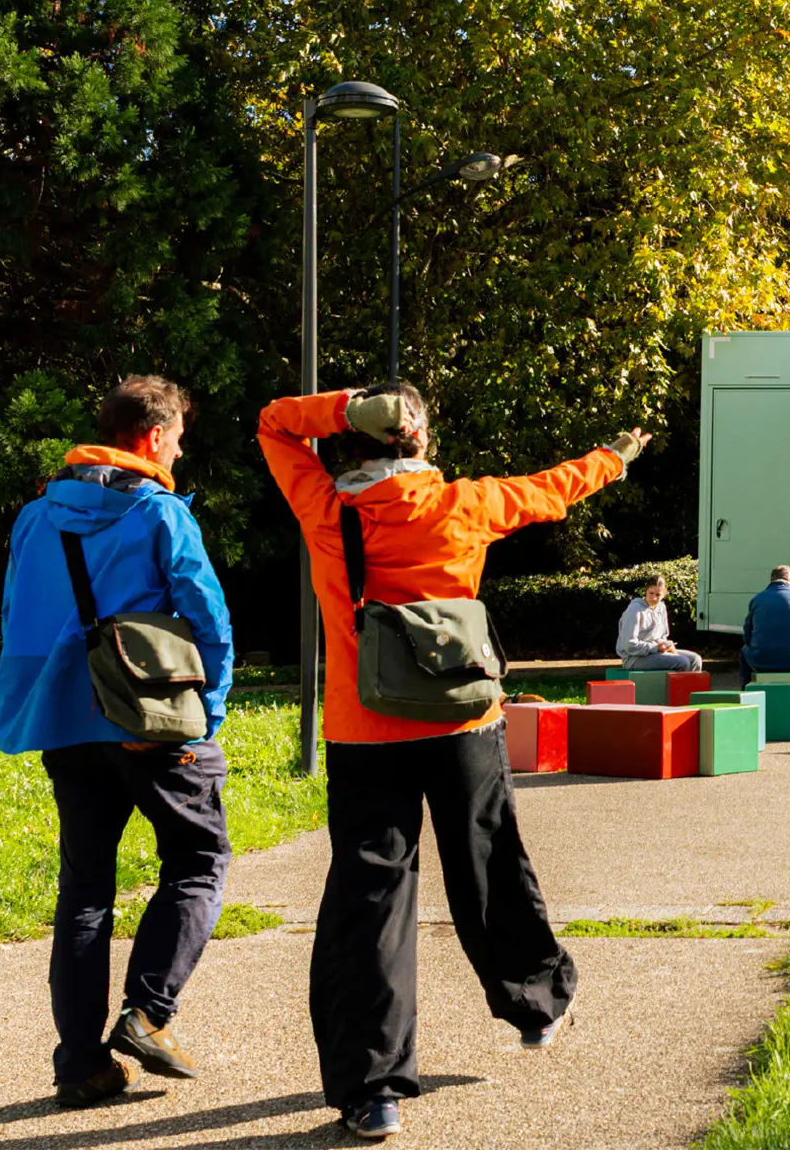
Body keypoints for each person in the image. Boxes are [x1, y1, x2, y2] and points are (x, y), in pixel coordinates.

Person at [258, 380, 647, 1141]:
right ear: (421, 442)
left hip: (364, 730)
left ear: (354, 440)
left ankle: (373, 1093)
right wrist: (614, 458)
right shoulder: (466, 503)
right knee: (489, 863)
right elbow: (553, 489)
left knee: (369, 900)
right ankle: (535, 1006)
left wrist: (344, 407)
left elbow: (274, 424)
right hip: (464, 722)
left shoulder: (326, 508)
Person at [0, 375, 234, 1109]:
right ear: (154, 438)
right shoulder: (161, 514)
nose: (180, 452)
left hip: (65, 725)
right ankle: (149, 1014)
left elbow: (14, 617)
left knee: (86, 894)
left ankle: (80, 1065)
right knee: (199, 858)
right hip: (149, 725)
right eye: (180, 440)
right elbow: (208, 620)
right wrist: (207, 713)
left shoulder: (37, 517)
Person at [617, 575, 704, 672]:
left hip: (656, 653)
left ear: (664, 595)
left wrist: (667, 646)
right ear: (646, 591)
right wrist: (655, 648)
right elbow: (628, 645)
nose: (653, 598)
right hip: (634, 658)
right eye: (651, 593)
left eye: (658, 595)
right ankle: (677, 687)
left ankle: (692, 687)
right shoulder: (635, 609)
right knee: (682, 662)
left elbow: (662, 636)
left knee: (695, 659)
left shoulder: (661, 608)